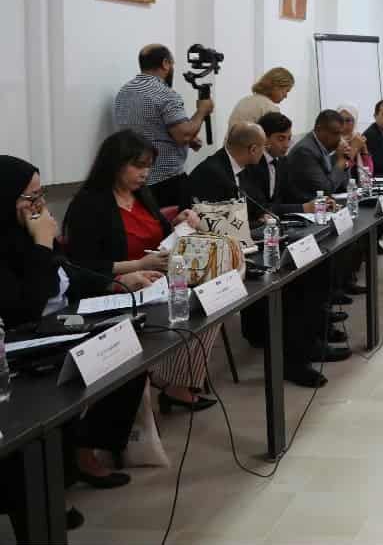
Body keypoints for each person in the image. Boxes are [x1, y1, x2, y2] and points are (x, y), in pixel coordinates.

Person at [0, 156, 158, 537]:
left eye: (41, 195)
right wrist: (42, 244)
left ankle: (84, 452)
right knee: (55, 397)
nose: (39, 206)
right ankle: (47, 494)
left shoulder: (27, 230)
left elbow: (66, 273)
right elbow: (23, 308)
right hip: (20, 347)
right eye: (30, 198)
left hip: (59, 325)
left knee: (130, 355)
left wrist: (119, 280)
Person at [63, 131, 216, 413]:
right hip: (120, 287)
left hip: (159, 280)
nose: (145, 173)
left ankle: (173, 378)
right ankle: (164, 379)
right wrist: (139, 266)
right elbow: (83, 267)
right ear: (114, 164)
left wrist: (179, 223)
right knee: (189, 309)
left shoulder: (142, 195)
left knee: (209, 305)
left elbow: (159, 237)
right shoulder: (89, 204)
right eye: (138, 166)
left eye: (148, 166)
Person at [246, 112, 336, 387]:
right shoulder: (252, 166)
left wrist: (317, 203)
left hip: (281, 231)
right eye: (280, 139)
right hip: (258, 240)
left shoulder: (281, 162)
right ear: (263, 140)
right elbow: (261, 209)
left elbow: (290, 195)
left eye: (288, 138)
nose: (286, 144)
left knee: (322, 263)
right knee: (298, 283)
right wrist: (301, 207)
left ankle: (314, 338)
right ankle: (296, 358)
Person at [113, 44, 214, 209]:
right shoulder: (165, 94)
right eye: (172, 64)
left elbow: (148, 129)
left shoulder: (124, 92)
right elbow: (183, 135)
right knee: (176, 223)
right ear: (165, 63)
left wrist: (184, 139)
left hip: (133, 180)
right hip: (165, 181)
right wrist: (202, 111)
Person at [288, 109, 367, 303]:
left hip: (322, 207)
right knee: (341, 234)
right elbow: (326, 187)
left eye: (340, 133)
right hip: (302, 210)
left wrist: (344, 159)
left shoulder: (323, 147)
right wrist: (342, 159)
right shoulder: (306, 151)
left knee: (357, 226)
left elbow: (341, 184)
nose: (339, 138)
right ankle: (329, 295)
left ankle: (342, 283)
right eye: (334, 133)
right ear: (319, 129)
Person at [189, 122, 270, 218]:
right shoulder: (210, 173)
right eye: (264, 147)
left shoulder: (247, 168)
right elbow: (212, 219)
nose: (264, 151)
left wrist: (262, 215)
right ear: (253, 150)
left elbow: (259, 205)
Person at [226, 67, 294, 131]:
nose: (286, 96)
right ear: (276, 87)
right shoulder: (269, 108)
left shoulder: (245, 100)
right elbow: (276, 137)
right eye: (286, 91)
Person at [336, 104, 374, 179]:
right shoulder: (332, 141)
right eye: (340, 120)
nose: (344, 124)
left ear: (354, 122)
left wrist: (364, 150)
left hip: (358, 184)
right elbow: (340, 172)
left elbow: (369, 173)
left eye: (348, 120)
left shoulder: (357, 138)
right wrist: (354, 148)